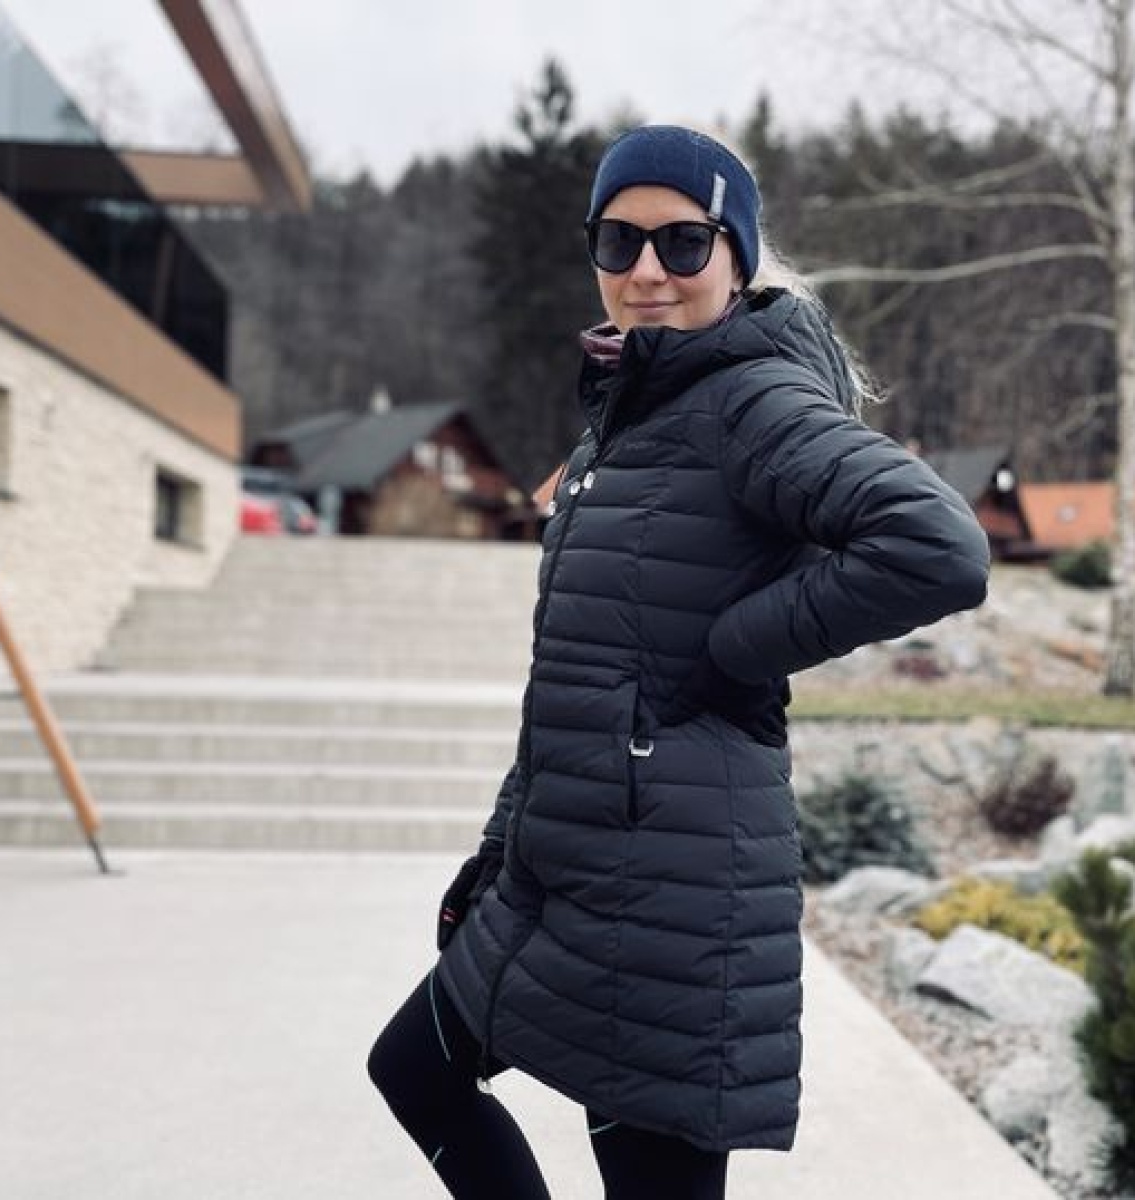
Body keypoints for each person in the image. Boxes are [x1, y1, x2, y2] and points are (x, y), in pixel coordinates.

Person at [368, 124, 990, 1199]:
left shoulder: (751, 401)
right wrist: (496, 852)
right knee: (413, 1071)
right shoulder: (627, 420)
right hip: (563, 877)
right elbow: (574, 682)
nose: (646, 270)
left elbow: (937, 547)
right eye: (618, 241)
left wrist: (737, 646)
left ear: (735, 259)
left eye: (683, 242)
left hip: (671, 900)